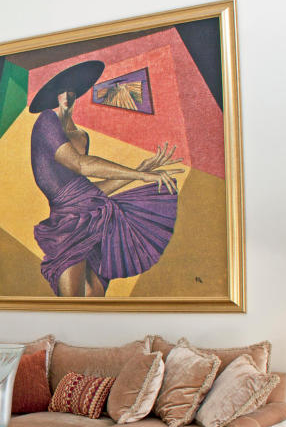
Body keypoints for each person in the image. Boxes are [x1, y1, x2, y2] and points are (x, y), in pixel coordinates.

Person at [29, 60, 182, 296]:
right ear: (54, 97)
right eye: (61, 92)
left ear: (77, 93)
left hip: (96, 221)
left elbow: (88, 191)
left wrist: (139, 169)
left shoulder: (82, 136)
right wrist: (140, 175)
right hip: (66, 226)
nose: (66, 97)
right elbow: (80, 165)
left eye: (71, 91)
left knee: (94, 296)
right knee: (72, 303)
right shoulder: (46, 121)